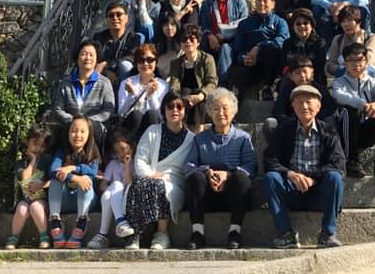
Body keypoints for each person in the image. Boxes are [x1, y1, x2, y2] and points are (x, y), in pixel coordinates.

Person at [263, 85, 345, 249]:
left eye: (309, 102)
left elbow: (338, 164)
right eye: (299, 102)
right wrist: (291, 174)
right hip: (292, 190)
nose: (304, 106)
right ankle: (286, 235)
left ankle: (327, 234)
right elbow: (270, 159)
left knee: (335, 177)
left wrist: (313, 179)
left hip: (319, 192)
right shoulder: (284, 129)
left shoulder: (329, 131)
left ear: (318, 106)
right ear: (293, 106)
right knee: (271, 177)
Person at [183, 89, 256, 250]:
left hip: (234, 195)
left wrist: (228, 175)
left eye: (225, 108)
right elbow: (188, 166)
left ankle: (235, 231)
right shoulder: (199, 139)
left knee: (242, 177)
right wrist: (207, 172)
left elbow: (251, 166)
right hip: (207, 195)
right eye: (215, 109)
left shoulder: (243, 138)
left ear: (233, 111)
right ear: (209, 112)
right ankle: (197, 232)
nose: (220, 113)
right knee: (194, 177)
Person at [125, 91, 195, 250]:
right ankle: (135, 234)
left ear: (185, 110)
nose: (175, 110)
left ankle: (162, 234)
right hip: (149, 177)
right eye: (170, 106)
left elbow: (190, 168)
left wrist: (163, 179)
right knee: (139, 182)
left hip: (174, 184)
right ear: (164, 109)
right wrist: (151, 175)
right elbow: (140, 160)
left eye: (179, 106)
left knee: (158, 185)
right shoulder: (152, 131)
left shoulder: (192, 139)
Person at [330, 42, 375, 178]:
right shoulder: (339, 82)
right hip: (346, 133)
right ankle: (351, 160)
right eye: (351, 60)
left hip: (366, 133)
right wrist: (366, 106)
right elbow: (340, 96)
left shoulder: (372, 82)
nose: (356, 64)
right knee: (350, 110)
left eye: (360, 60)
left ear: (366, 62)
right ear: (345, 63)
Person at [51, 39, 115, 151]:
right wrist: (74, 120)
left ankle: (92, 159)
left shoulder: (104, 83)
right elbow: (57, 109)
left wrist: (86, 122)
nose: (87, 58)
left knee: (90, 129)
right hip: (70, 126)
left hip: (94, 127)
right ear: (77, 58)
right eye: (84, 54)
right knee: (67, 130)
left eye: (91, 55)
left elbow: (108, 110)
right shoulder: (65, 83)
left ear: (97, 59)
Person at [48, 116, 100, 249]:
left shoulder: (92, 152)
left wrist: (73, 168)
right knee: (55, 180)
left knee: (86, 179)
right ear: (68, 133)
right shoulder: (61, 152)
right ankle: (55, 222)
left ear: (89, 134)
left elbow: (93, 172)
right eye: (74, 131)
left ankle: (82, 223)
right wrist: (75, 178)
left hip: (87, 201)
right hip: (65, 201)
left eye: (82, 131)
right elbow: (53, 171)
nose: (78, 135)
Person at [229, 0, 288, 100]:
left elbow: (283, 41)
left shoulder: (280, 22)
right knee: (238, 71)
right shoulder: (245, 24)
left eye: (265, 1)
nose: (261, 3)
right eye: (259, 0)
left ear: (273, 4)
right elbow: (238, 48)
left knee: (270, 49)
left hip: (271, 64)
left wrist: (259, 47)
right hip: (251, 64)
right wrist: (244, 58)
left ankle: (268, 88)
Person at [6, 123, 52, 250]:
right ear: (27, 142)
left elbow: (53, 181)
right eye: (35, 144)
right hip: (26, 199)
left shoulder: (47, 161)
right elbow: (24, 177)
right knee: (21, 208)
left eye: (42, 146)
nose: (38, 148)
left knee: (35, 207)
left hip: (42, 200)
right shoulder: (22, 163)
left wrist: (41, 185)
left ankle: (44, 237)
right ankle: (14, 237)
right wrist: (33, 161)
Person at [87, 129, 135, 249]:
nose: (121, 153)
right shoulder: (113, 164)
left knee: (117, 185)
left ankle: (102, 234)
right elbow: (102, 185)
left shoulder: (135, 164)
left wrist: (127, 165)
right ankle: (121, 222)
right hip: (111, 198)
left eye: (123, 149)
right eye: (117, 151)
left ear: (131, 147)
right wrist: (113, 189)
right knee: (110, 191)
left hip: (128, 198)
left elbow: (129, 184)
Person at [199, 0, 248, 82]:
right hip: (211, 42)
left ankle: (222, 85)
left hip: (234, 42)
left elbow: (244, 25)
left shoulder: (240, 2)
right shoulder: (207, 4)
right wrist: (210, 36)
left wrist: (224, 36)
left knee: (225, 48)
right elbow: (203, 25)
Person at [167, 25, 218, 133]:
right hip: (184, 99)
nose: (188, 42)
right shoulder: (176, 63)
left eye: (192, 39)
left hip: (203, 100)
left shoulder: (207, 59)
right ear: (181, 44)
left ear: (198, 42)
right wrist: (180, 98)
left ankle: (199, 131)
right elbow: (174, 82)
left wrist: (200, 96)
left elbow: (212, 82)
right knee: (185, 91)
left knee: (196, 91)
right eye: (184, 39)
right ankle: (183, 130)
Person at [117, 43, 168, 142]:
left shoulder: (163, 85)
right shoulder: (126, 83)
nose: (145, 64)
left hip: (153, 127)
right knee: (136, 115)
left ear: (156, 62)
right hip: (132, 128)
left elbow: (161, 116)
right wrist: (131, 95)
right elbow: (121, 113)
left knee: (152, 114)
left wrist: (151, 97)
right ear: (136, 64)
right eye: (141, 60)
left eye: (150, 60)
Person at [93, 1, 143, 88]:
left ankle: (124, 93)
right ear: (106, 19)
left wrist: (107, 64)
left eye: (119, 14)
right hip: (103, 74)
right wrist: (106, 70)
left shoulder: (134, 38)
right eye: (111, 15)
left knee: (125, 65)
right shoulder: (98, 37)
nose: (115, 18)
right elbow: (97, 59)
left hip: (125, 77)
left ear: (126, 18)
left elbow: (131, 57)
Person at [325, 6, 375, 80]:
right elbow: (331, 65)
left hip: (369, 76)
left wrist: (357, 41)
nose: (346, 24)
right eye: (343, 21)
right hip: (345, 77)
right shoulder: (338, 40)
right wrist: (346, 69)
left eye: (349, 20)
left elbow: (369, 58)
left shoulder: (371, 38)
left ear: (359, 22)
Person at [281, 9, 328, 85]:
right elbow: (284, 65)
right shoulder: (287, 44)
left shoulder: (319, 43)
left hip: (314, 79)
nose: (302, 26)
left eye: (305, 23)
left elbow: (319, 66)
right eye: (298, 24)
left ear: (312, 26)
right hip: (292, 80)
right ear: (293, 27)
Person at [152, 12, 183, 79]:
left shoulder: (183, 45)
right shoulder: (156, 46)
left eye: (172, 24)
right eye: (165, 25)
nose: (169, 28)